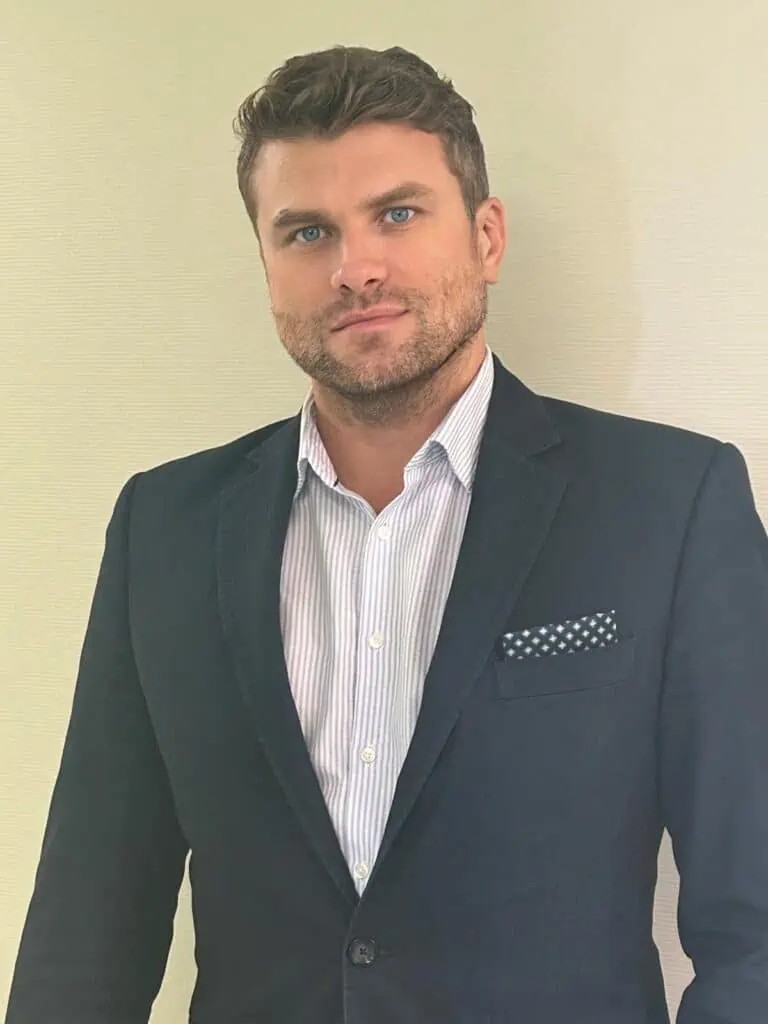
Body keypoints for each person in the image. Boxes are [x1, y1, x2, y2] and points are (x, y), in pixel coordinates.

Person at [5, 43, 768, 1024]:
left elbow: (754, 923)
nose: (354, 268)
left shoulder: (670, 504)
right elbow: (88, 926)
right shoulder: (164, 530)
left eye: (398, 215)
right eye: (307, 231)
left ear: (486, 237)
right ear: (267, 263)